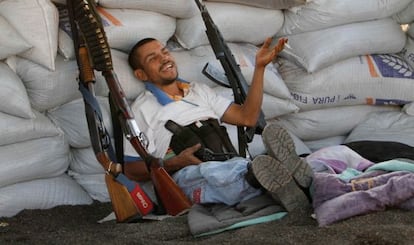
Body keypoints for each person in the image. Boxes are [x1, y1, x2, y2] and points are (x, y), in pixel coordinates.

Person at [122, 37, 314, 212]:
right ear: (141, 75)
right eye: (152, 58)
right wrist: (174, 163)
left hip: (230, 164)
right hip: (186, 178)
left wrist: (260, 68)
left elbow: (247, 118)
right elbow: (130, 169)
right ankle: (270, 175)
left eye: (165, 52)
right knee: (218, 173)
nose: (164, 59)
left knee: (233, 170)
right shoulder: (141, 110)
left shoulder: (199, 91)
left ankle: (277, 177)